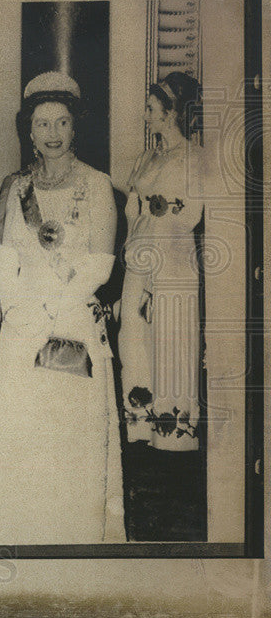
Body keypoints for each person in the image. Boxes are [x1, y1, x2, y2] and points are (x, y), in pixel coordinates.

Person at [0, 71, 125, 544]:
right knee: (21, 437)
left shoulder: (97, 186)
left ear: (76, 128)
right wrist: (19, 311)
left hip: (71, 325)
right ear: (28, 132)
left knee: (67, 436)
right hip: (25, 325)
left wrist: (52, 310)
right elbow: (7, 255)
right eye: (42, 124)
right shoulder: (18, 190)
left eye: (62, 123)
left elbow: (100, 266)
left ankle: (70, 537)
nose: (52, 133)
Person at [119, 72, 206, 451]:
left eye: (151, 108)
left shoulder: (194, 158)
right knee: (133, 338)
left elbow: (190, 215)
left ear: (171, 112)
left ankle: (173, 438)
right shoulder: (144, 157)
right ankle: (140, 426)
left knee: (168, 342)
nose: (145, 115)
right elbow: (133, 209)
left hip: (172, 265)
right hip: (138, 258)